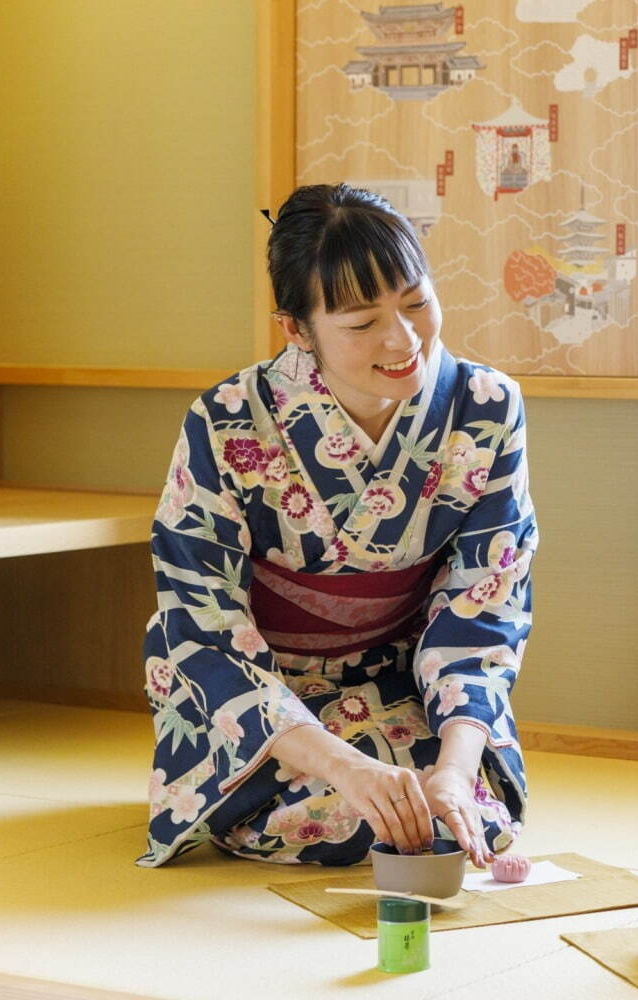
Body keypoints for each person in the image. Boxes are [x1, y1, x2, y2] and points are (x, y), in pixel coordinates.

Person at [138, 183, 536, 870]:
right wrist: (345, 769)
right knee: (348, 817)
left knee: (452, 817)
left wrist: (453, 765)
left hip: (397, 675)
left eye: (416, 302)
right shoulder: (228, 420)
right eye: (361, 323)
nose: (403, 339)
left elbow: (486, 599)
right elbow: (200, 621)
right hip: (260, 686)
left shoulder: (485, 406)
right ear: (296, 329)